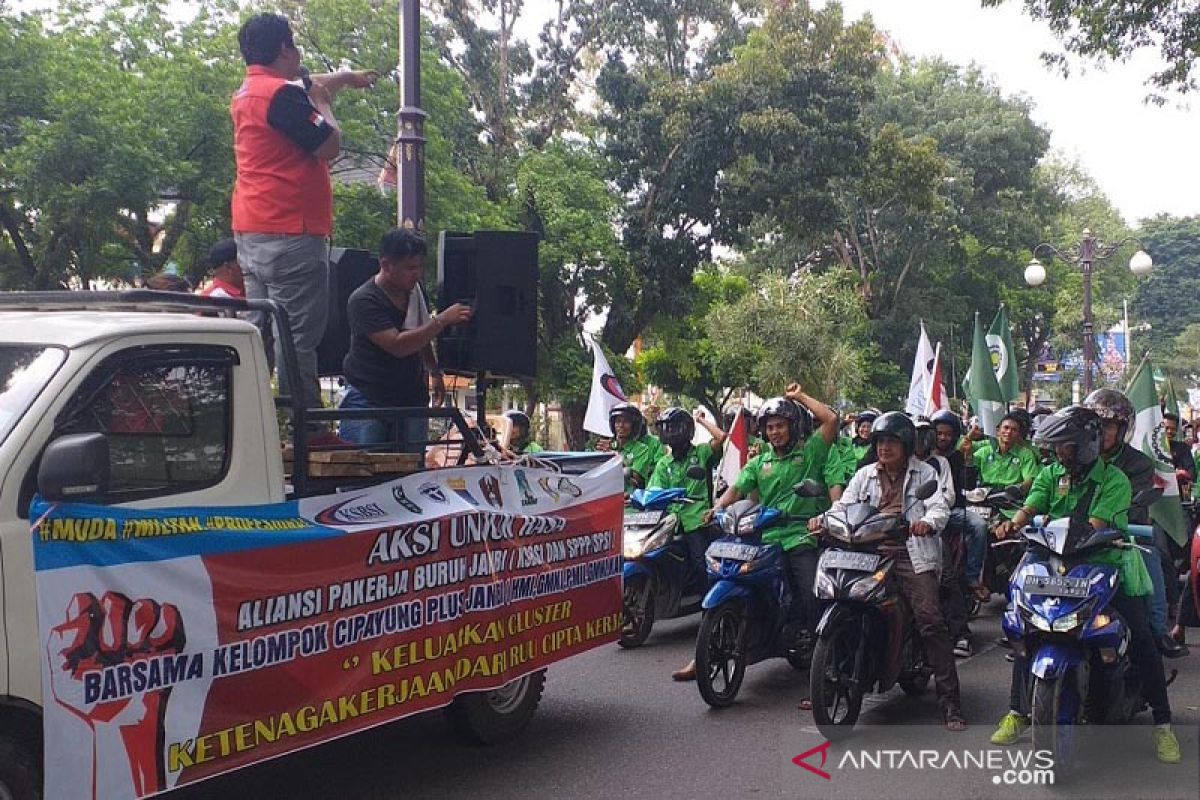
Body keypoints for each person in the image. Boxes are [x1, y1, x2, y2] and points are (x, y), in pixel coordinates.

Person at [990, 406, 1179, 763]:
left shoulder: (1114, 480)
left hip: (1103, 561)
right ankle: (1017, 711)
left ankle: (1163, 723)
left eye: (1066, 446)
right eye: (1057, 447)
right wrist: (1011, 525)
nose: (1060, 453)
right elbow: (1031, 506)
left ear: (1085, 445)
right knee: (1026, 624)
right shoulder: (1052, 472)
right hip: (1052, 558)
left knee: (1140, 635)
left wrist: (1049, 522)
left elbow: (1092, 525)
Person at [231, 12, 376, 431]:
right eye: (294, 46)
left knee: (258, 335)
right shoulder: (282, 98)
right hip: (291, 232)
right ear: (284, 50)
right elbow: (329, 145)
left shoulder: (249, 93)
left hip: (253, 230)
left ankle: (249, 428)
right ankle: (307, 435)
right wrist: (326, 105)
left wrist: (345, 78)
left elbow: (310, 85)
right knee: (298, 340)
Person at [810, 412, 964, 730]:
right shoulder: (865, 474)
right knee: (833, 599)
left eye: (891, 442)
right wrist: (823, 519)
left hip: (908, 553)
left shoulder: (925, 474)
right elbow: (844, 505)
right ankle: (827, 680)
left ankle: (950, 701)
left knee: (930, 621)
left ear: (906, 444)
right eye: (880, 442)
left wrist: (926, 523)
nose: (884, 448)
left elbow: (938, 507)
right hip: (865, 550)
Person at [704, 385, 838, 657]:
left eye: (780, 426)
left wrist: (800, 396)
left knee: (811, 593)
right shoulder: (759, 462)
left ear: (793, 426)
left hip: (800, 535)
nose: (774, 432)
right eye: (769, 427)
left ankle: (823, 652)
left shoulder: (809, 452)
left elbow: (831, 420)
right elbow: (737, 489)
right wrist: (716, 507)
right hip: (764, 537)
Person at [337, 229, 472, 452]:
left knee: (410, 472)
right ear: (387, 265)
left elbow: (420, 332)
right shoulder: (364, 300)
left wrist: (434, 370)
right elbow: (398, 345)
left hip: (410, 398)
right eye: (410, 268)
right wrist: (441, 321)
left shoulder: (415, 293)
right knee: (364, 470)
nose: (417, 274)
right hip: (370, 397)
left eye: (420, 267)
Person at [1084, 389, 1187, 658]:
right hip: (1078, 536)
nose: (1103, 432)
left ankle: (1159, 631)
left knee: (1150, 557)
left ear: (1123, 429)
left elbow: (1128, 504)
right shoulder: (1076, 457)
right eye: (1097, 425)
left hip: (1125, 534)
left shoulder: (1138, 462)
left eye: (1109, 425)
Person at [648, 407, 726, 681]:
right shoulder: (663, 463)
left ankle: (709, 610)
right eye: (664, 427)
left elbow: (723, 439)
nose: (668, 432)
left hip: (696, 520)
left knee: (700, 563)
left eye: (673, 427)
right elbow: (653, 491)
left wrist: (703, 420)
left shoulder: (701, 453)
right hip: (670, 520)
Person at [596, 403, 663, 493]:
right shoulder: (607, 446)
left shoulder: (641, 449)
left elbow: (636, 477)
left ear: (634, 425)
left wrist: (614, 458)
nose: (621, 425)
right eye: (618, 421)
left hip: (629, 502)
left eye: (626, 422)